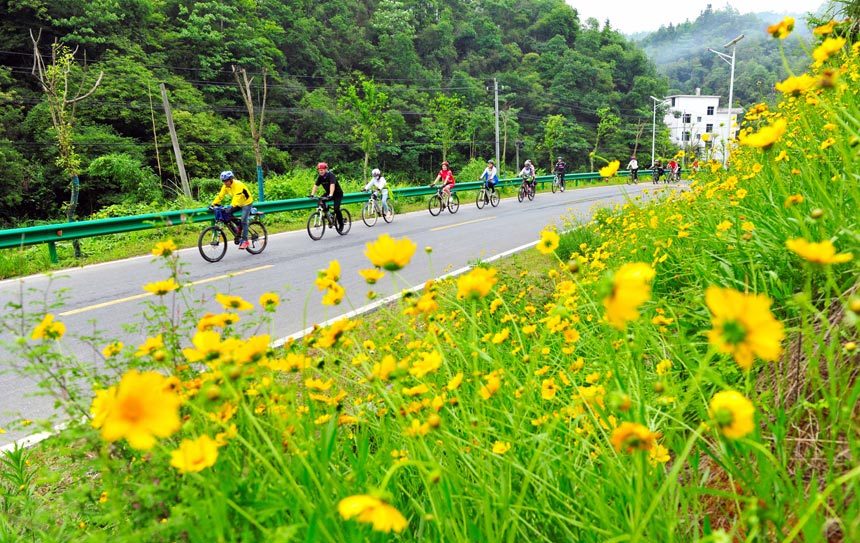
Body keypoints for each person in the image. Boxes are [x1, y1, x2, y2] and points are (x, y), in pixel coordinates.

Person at [212, 170, 253, 250]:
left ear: (231, 179)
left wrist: (231, 206)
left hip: (246, 203)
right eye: (223, 181)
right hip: (238, 203)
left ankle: (245, 241)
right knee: (226, 214)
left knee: (244, 220)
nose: (225, 183)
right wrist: (213, 204)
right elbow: (220, 196)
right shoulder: (225, 186)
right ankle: (238, 227)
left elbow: (237, 197)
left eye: (226, 181)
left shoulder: (238, 184)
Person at [310, 162, 344, 230]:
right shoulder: (320, 177)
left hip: (337, 194)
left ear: (325, 169)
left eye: (322, 170)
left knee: (336, 209)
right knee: (320, 201)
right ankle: (329, 215)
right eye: (319, 170)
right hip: (329, 193)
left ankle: (341, 224)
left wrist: (331, 194)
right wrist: (312, 194)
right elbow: (316, 185)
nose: (320, 171)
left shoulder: (331, 175)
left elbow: (332, 185)